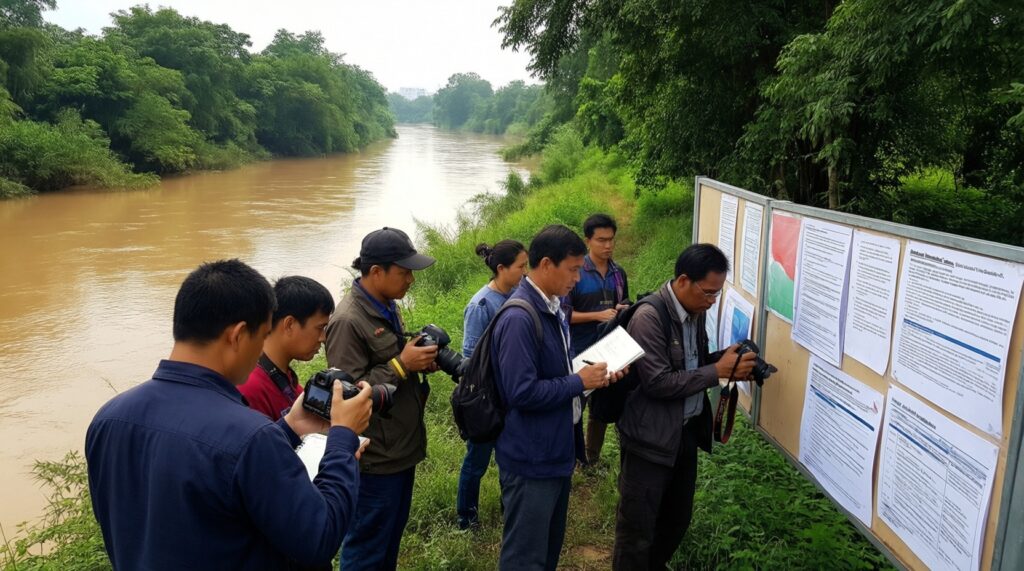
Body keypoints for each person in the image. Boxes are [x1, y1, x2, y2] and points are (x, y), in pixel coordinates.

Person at [85, 259, 373, 570]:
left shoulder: (108, 419)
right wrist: (342, 440)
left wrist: (289, 427)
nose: (262, 350)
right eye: (262, 336)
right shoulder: (250, 436)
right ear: (237, 335)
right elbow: (318, 538)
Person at [612, 244, 757, 570]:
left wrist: (724, 361)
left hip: (684, 435)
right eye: (708, 292)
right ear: (682, 281)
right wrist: (716, 371)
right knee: (637, 529)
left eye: (717, 293)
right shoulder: (649, 318)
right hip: (649, 441)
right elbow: (658, 382)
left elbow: (691, 365)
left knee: (676, 520)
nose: (712, 301)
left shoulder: (695, 311)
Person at [491, 224, 624, 571]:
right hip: (531, 459)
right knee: (525, 558)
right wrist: (578, 382)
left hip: (555, 451)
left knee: (547, 552)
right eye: (573, 269)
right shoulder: (520, 317)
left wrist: (592, 378)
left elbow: (558, 374)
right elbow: (521, 392)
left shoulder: (552, 307)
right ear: (547, 264)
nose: (577, 279)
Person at [325, 227, 438, 571]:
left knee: (388, 544)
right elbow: (345, 396)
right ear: (376, 272)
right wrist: (401, 364)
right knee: (366, 551)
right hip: (374, 460)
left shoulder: (386, 305)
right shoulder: (348, 321)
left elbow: (388, 366)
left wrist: (416, 362)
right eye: (404, 273)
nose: (410, 280)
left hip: (400, 449)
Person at [456, 239, 528, 530]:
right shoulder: (481, 305)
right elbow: (470, 360)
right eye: (521, 267)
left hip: (510, 395)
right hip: (487, 400)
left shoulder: (516, 295)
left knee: (510, 458)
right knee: (477, 461)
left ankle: (509, 508)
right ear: (501, 269)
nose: (525, 272)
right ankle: (466, 518)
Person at [566, 213, 630, 466]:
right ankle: (570, 456)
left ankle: (590, 458)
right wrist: (598, 315)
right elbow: (564, 314)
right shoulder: (576, 272)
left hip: (609, 350)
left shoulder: (618, 273)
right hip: (580, 350)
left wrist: (622, 310)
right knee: (574, 405)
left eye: (611, 239)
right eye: (601, 240)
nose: (608, 245)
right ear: (588, 241)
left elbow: (623, 304)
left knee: (602, 406)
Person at [240, 276, 335, 421]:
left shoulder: (283, 377)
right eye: (320, 328)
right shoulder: (251, 388)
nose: (323, 338)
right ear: (289, 324)